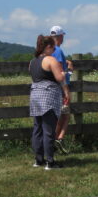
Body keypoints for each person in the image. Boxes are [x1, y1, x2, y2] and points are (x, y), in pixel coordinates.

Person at [29, 35, 70, 170]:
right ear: (48, 47)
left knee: (37, 128)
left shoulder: (33, 62)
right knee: (49, 130)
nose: (54, 49)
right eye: (53, 47)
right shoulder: (51, 60)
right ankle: (50, 162)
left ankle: (38, 159)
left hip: (35, 95)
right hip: (48, 96)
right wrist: (66, 72)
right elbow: (59, 77)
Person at [49, 25, 73, 155]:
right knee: (64, 115)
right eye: (62, 35)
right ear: (59, 36)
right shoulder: (57, 50)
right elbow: (59, 72)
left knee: (59, 115)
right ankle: (58, 139)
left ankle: (54, 141)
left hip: (52, 88)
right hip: (61, 88)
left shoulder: (49, 50)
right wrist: (69, 69)